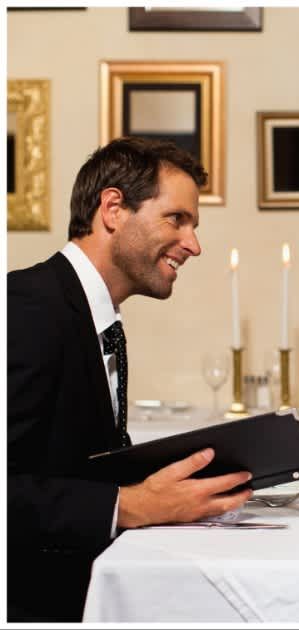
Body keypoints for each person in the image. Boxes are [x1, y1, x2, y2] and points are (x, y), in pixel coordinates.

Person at [7, 137, 254, 621]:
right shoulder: (26, 308)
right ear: (114, 209)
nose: (194, 245)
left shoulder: (90, 314)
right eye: (176, 219)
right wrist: (131, 504)